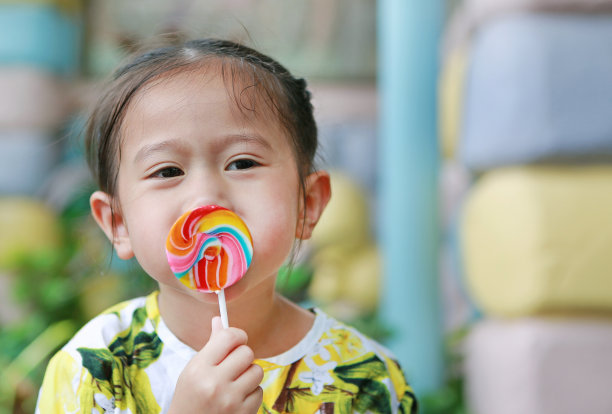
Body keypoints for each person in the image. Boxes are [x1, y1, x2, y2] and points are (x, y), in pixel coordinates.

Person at [35, 38, 417, 414]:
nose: (206, 196)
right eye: (168, 170)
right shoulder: (93, 371)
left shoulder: (365, 379)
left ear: (307, 204)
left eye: (242, 163)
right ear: (118, 223)